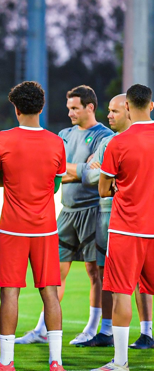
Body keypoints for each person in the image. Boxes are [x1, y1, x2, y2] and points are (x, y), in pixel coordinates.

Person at [0, 81, 67, 371]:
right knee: (50, 293)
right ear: (41, 107)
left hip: (12, 230)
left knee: (10, 294)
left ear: (16, 109)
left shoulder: (2, 139)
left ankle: (6, 363)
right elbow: (55, 186)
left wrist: (13, 182)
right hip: (45, 230)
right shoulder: (56, 142)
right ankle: (56, 363)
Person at [17, 85, 114, 345]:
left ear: (90, 107)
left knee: (96, 272)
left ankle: (94, 328)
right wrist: (80, 169)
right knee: (54, 272)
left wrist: (75, 171)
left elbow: (97, 176)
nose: (69, 112)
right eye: (68, 107)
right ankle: (42, 330)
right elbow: (54, 170)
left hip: (92, 212)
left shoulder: (105, 136)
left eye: (74, 108)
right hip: (66, 212)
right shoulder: (64, 134)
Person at [77, 94, 153, 348]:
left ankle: (120, 361)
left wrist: (117, 182)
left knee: (121, 290)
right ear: (151, 105)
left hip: (126, 227)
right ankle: (146, 333)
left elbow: (102, 189)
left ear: (129, 108)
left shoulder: (118, 143)